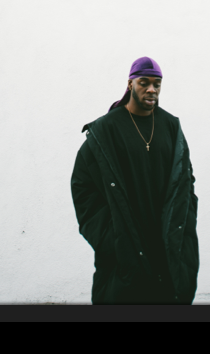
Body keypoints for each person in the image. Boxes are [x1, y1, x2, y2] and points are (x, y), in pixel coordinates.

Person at [71, 56, 199, 305]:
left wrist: (184, 226)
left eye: (157, 84)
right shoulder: (106, 130)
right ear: (130, 84)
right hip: (125, 251)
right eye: (144, 82)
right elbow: (83, 187)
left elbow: (186, 181)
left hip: (166, 249)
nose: (151, 89)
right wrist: (113, 240)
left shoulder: (171, 126)